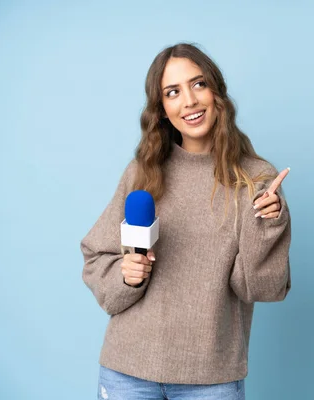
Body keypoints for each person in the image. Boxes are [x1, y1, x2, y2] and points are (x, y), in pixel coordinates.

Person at [80, 42, 291, 400]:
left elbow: (259, 289)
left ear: (216, 92)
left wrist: (268, 225)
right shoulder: (143, 172)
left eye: (198, 84)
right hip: (127, 372)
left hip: (211, 379)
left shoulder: (256, 179)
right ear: (161, 109)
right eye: (172, 92)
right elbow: (96, 257)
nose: (189, 101)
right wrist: (124, 276)